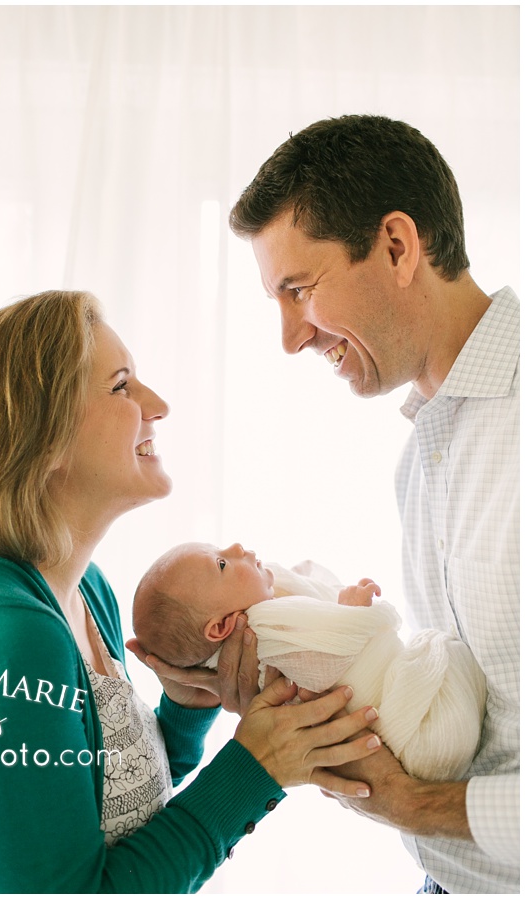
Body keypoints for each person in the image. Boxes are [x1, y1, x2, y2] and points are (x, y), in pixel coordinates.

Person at [0, 290, 384, 893]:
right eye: (121, 387)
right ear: (41, 436)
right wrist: (255, 769)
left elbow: (123, 802)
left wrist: (187, 707)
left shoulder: (85, 589)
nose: (159, 406)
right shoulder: (2, 637)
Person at [223, 114, 519, 893]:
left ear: (397, 245)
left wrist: (420, 803)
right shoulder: (421, 456)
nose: (290, 338)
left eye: (300, 289)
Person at [133, 541, 486, 781]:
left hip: (415, 746)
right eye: (222, 563)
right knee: (440, 650)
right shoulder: (262, 630)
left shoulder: (246, 637)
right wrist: (350, 613)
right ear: (222, 626)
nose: (237, 547)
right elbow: (323, 666)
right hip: (422, 730)